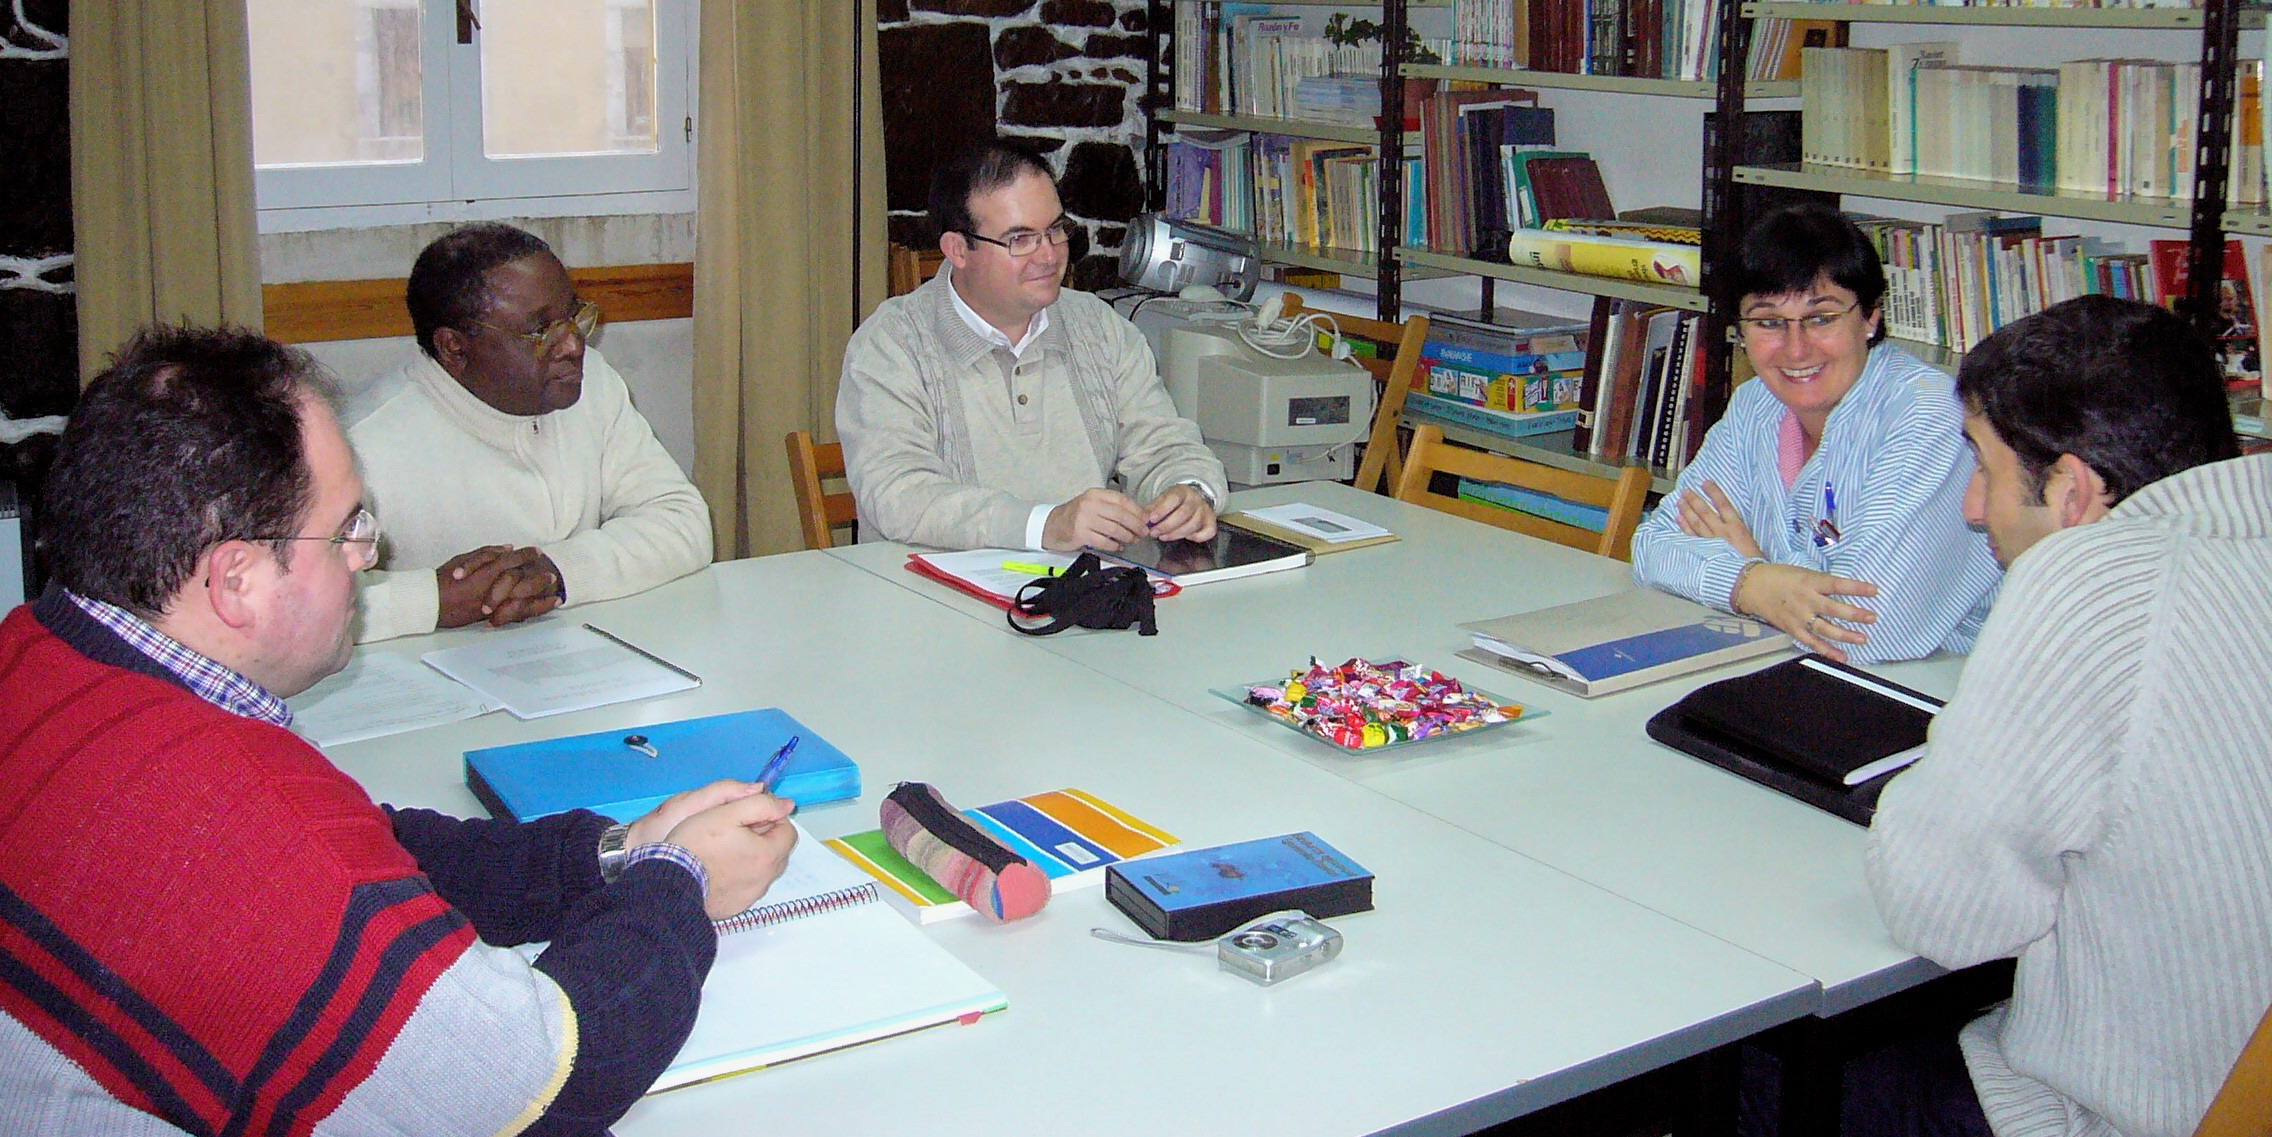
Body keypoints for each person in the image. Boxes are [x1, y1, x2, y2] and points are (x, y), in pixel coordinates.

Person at [0, 327, 795, 1134]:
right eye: (347, 529)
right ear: (235, 579)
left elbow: (377, 851)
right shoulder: (223, 819)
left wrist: (615, 853)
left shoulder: (42, 659)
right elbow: (547, 1081)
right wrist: (677, 881)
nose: (366, 557)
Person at [1864, 295, 2270, 1137]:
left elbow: (1945, 912)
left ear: (2074, 491)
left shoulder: (2093, 580)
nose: (1973, 506)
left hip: (2128, 1115)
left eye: (1983, 466)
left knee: (1751, 1069)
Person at [1629, 203, 2001, 663]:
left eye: (1822, 318)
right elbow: (1652, 549)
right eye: (1768, 322)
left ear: (1869, 317)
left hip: (1932, 685)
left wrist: (1755, 569)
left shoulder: (1929, 417)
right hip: (1782, 663)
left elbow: (1865, 630)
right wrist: (1753, 582)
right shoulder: (1755, 407)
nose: (1796, 347)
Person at [836, 141, 1229, 552]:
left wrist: (1188, 489)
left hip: (1078, 587)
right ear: (957, 250)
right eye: (1020, 239)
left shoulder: (1097, 326)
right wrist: (1045, 525)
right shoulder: (891, 345)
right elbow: (898, 495)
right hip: (929, 596)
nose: (1049, 255)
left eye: (1056, 230)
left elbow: (1163, 443)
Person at [348, 223, 711, 642]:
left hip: (584, 662)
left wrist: (558, 572)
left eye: (573, 318)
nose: (573, 346)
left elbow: (682, 519)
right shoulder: (361, 446)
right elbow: (280, 608)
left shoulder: (593, 384)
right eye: (541, 332)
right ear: (454, 348)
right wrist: (434, 600)